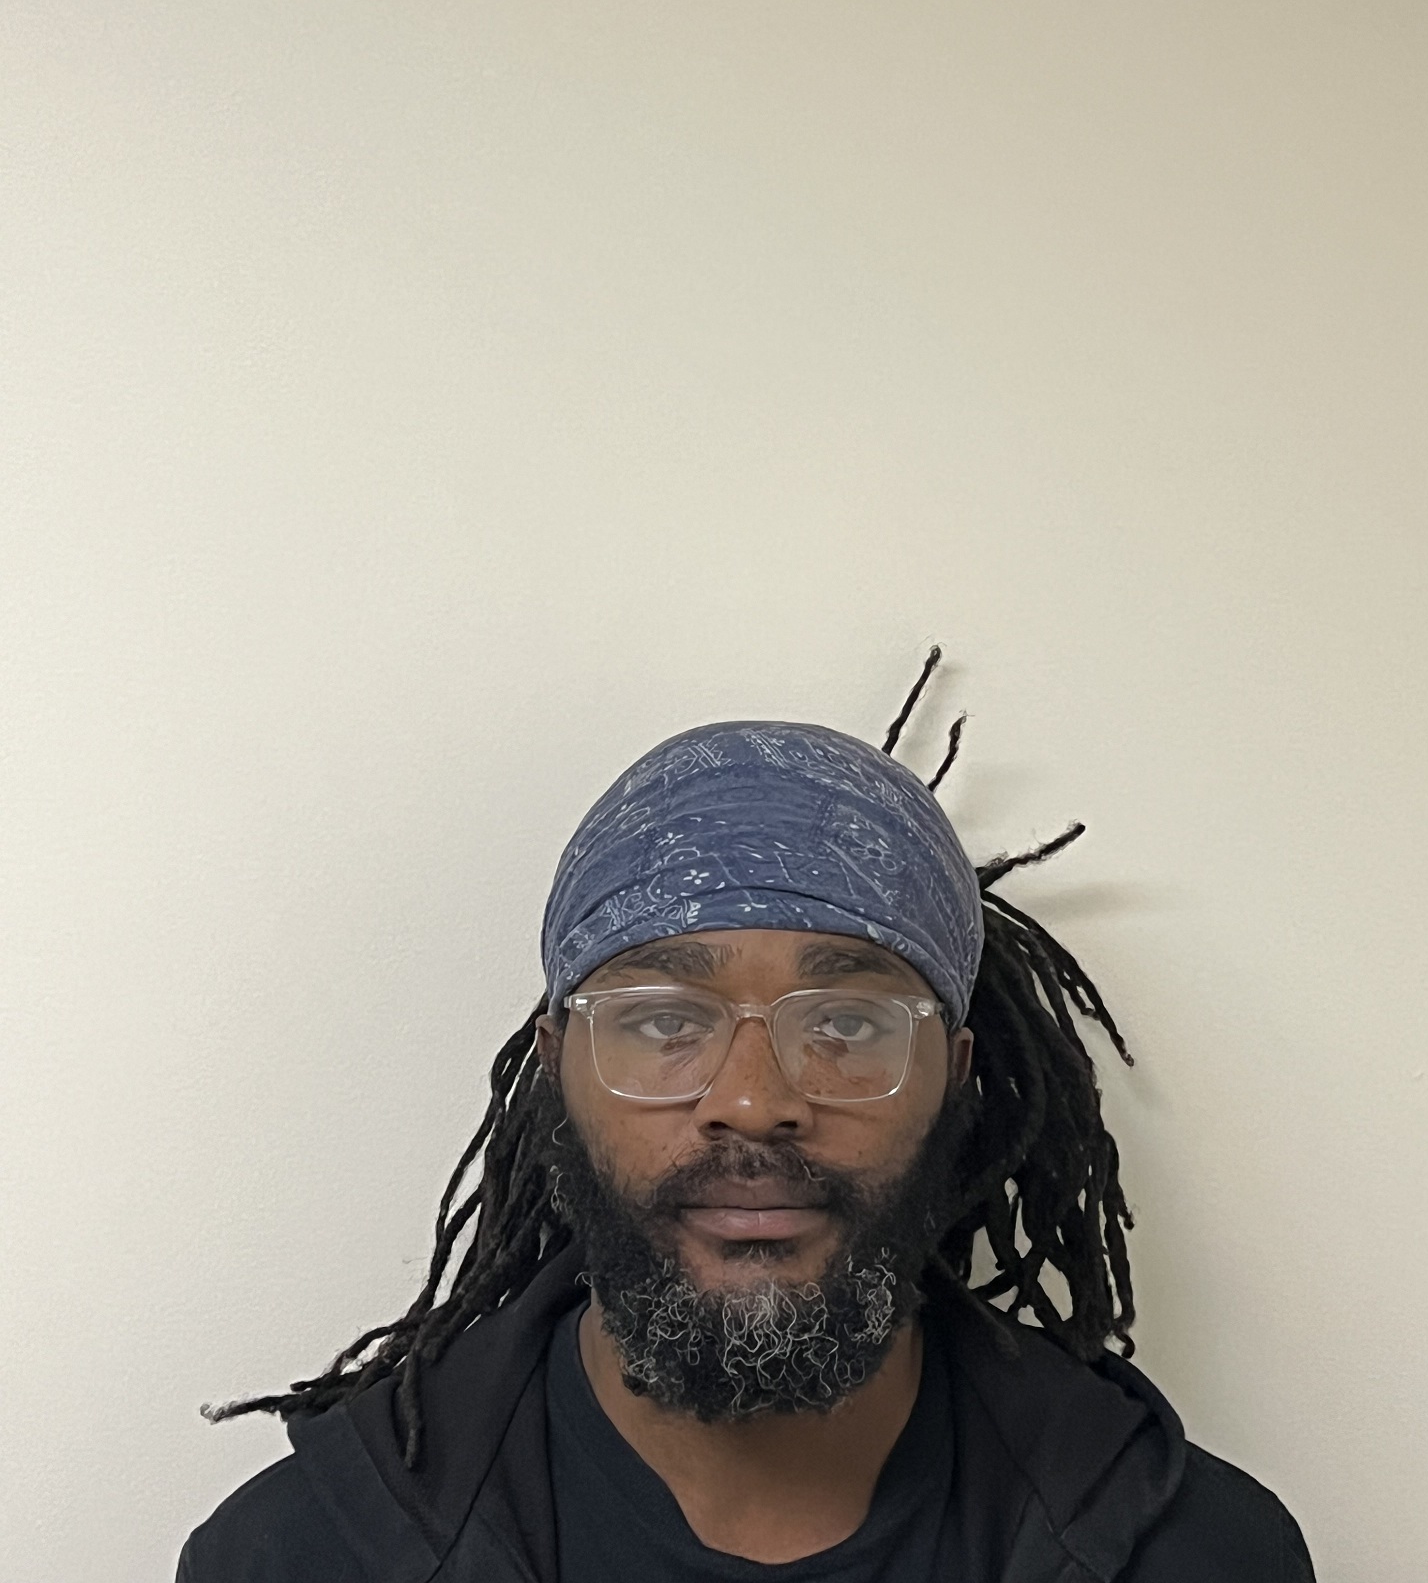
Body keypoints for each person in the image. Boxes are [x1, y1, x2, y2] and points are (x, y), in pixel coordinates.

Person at [179, 655, 1316, 1581]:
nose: (754, 1103)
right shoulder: (300, 1560)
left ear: (956, 1081)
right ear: (557, 1073)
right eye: (665, 1020)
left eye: (850, 1024)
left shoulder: (1194, 1555)